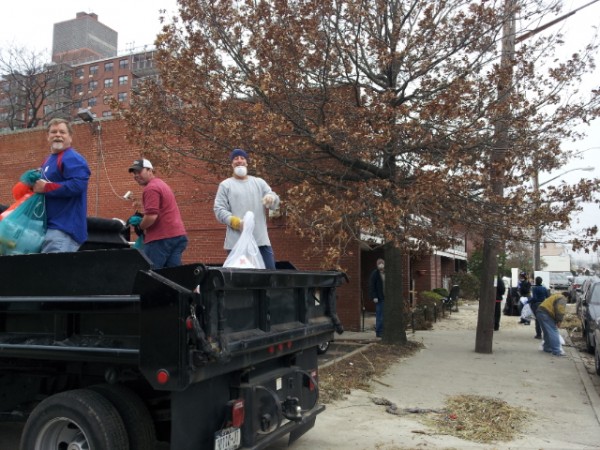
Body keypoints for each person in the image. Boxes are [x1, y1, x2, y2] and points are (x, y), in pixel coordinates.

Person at [213, 149, 280, 269]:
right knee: (241, 283)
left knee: (269, 278)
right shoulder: (225, 185)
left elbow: (274, 203)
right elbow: (219, 210)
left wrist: (272, 199)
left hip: (261, 242)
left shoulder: (259, 183)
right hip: (236, 244)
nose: (239, 161)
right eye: (236, 158)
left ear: (247, 162)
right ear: (232, 164)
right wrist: (236, 223)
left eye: (242, 158)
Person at [33, 118, 90, 253]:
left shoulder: (72, 157)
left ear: (70, 137)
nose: (57, 135)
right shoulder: (48, 160)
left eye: (62, 132)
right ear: (48, 136)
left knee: (52, 272)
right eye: (53, 132)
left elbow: (78, 185)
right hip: (50, 229)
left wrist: (46, 187)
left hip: (63, 229)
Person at [127, 158, 188, 268]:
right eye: (134, 173)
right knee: (175, 277)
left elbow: (151, 216)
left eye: (139, 171)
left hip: (160, 239)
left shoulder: (151, 188)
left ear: (150, 170)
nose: (136, 175)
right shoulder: (161, 184)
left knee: (151, 275)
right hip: (177, 236)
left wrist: (140, 226)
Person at [369, 258, 385, 338]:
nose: (381, 265)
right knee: (380, 316)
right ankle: (379, 332)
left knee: (385, 316)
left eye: (382, 263)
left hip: (387, 298)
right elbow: (372, 286)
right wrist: (374, 296)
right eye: (379, 263)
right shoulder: (375, 274)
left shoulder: (386, 273)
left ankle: (384, 330)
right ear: (377, 265)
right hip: (379, 298)